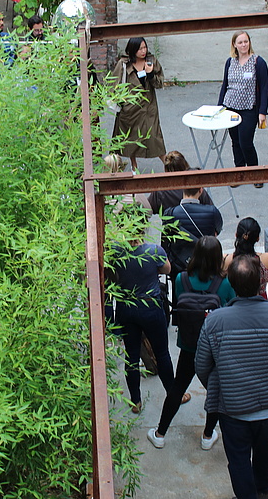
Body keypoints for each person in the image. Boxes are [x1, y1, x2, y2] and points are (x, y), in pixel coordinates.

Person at [196, 253, 268, 499]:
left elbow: (202, 365)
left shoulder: (214, 321)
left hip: (232, 409)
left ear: (231, 283)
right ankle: (265, 484)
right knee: (265, 450)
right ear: (261, 282)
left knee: (238, 458)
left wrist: (220, 386)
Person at [147, 236, 235, 451]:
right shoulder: (224, 283)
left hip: (189, 344)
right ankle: (207, 435)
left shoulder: (181, 279)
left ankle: (160, 433)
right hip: (214, 347)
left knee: (178, 387)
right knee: (215, 391)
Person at [109, 228, 175, 414]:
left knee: (131, 356)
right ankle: (172, 393)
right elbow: (167, 269)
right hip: (150, 306)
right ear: (143, 228)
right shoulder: (154, 251)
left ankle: (135, 400)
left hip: (125, 307)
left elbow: (110, 274)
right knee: (162, 353)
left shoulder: (115, 252)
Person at [217, 31, 268, 182]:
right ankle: (239, 172)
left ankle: (255, 174)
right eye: (240, 42)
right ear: (234, 44)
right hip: (230, 108)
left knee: (246, 142)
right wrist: (219, 107)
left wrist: (262, 112)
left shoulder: (258, 62)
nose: (243, 45)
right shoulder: (230, 62)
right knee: (235, 142)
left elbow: (265, 88)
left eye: (246, 41)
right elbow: (225, 85)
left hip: (249, 109)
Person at [111, 37, 165, 171]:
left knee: (154, 137)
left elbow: (159, 83)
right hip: (130, 110)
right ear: (133, 50)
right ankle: (134, 167)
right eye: (140, 48)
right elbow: (114, 85)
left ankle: (169, 164)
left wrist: (150, 74)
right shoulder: (124, 64)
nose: (143, 51)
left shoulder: (151, 62)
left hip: (148, 108)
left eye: (145, 47)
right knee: (130, 138)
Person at [224, 217, 268, 300]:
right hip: (260, 301)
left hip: (235, 302)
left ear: (236, 235)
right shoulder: (267, 259)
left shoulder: (227, 260)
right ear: (258, 238)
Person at [145, 151, 214, 213]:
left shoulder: (161, 191)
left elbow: (146, 209)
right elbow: (211, 210)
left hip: (171, 225)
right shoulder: (194, 187)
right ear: (185, 164)